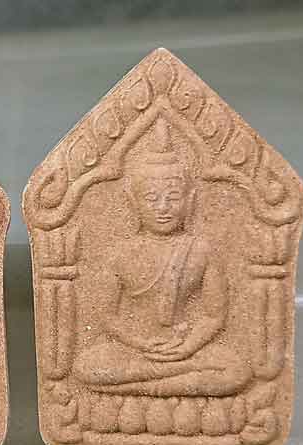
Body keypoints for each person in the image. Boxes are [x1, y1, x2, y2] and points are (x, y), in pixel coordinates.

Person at [73, 119, 251, 397]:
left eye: (173, 198)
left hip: (187, 346)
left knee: (237, 370)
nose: (163, 208)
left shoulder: (201, 250)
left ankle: (146, 387)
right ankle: (174, 383)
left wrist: (188, 347)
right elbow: (107, 316)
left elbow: (214, 315)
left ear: (189, 200)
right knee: (86, 366)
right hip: (134, 348)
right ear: (134, 202)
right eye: (151, 198)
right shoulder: (121, 254)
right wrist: (139, 343)